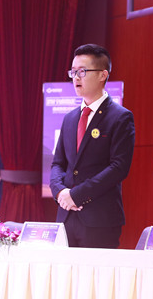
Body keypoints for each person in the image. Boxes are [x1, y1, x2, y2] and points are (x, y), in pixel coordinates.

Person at [50, 44, 135, 248]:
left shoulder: (120, 117)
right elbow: (58, 164)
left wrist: (77, 195)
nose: (76, 77)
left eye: (82, 71)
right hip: (66, 217)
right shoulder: (70, 118)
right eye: (73, 72)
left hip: (100, 220)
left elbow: (118, 168)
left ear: (102, 75)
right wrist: (60, 192)